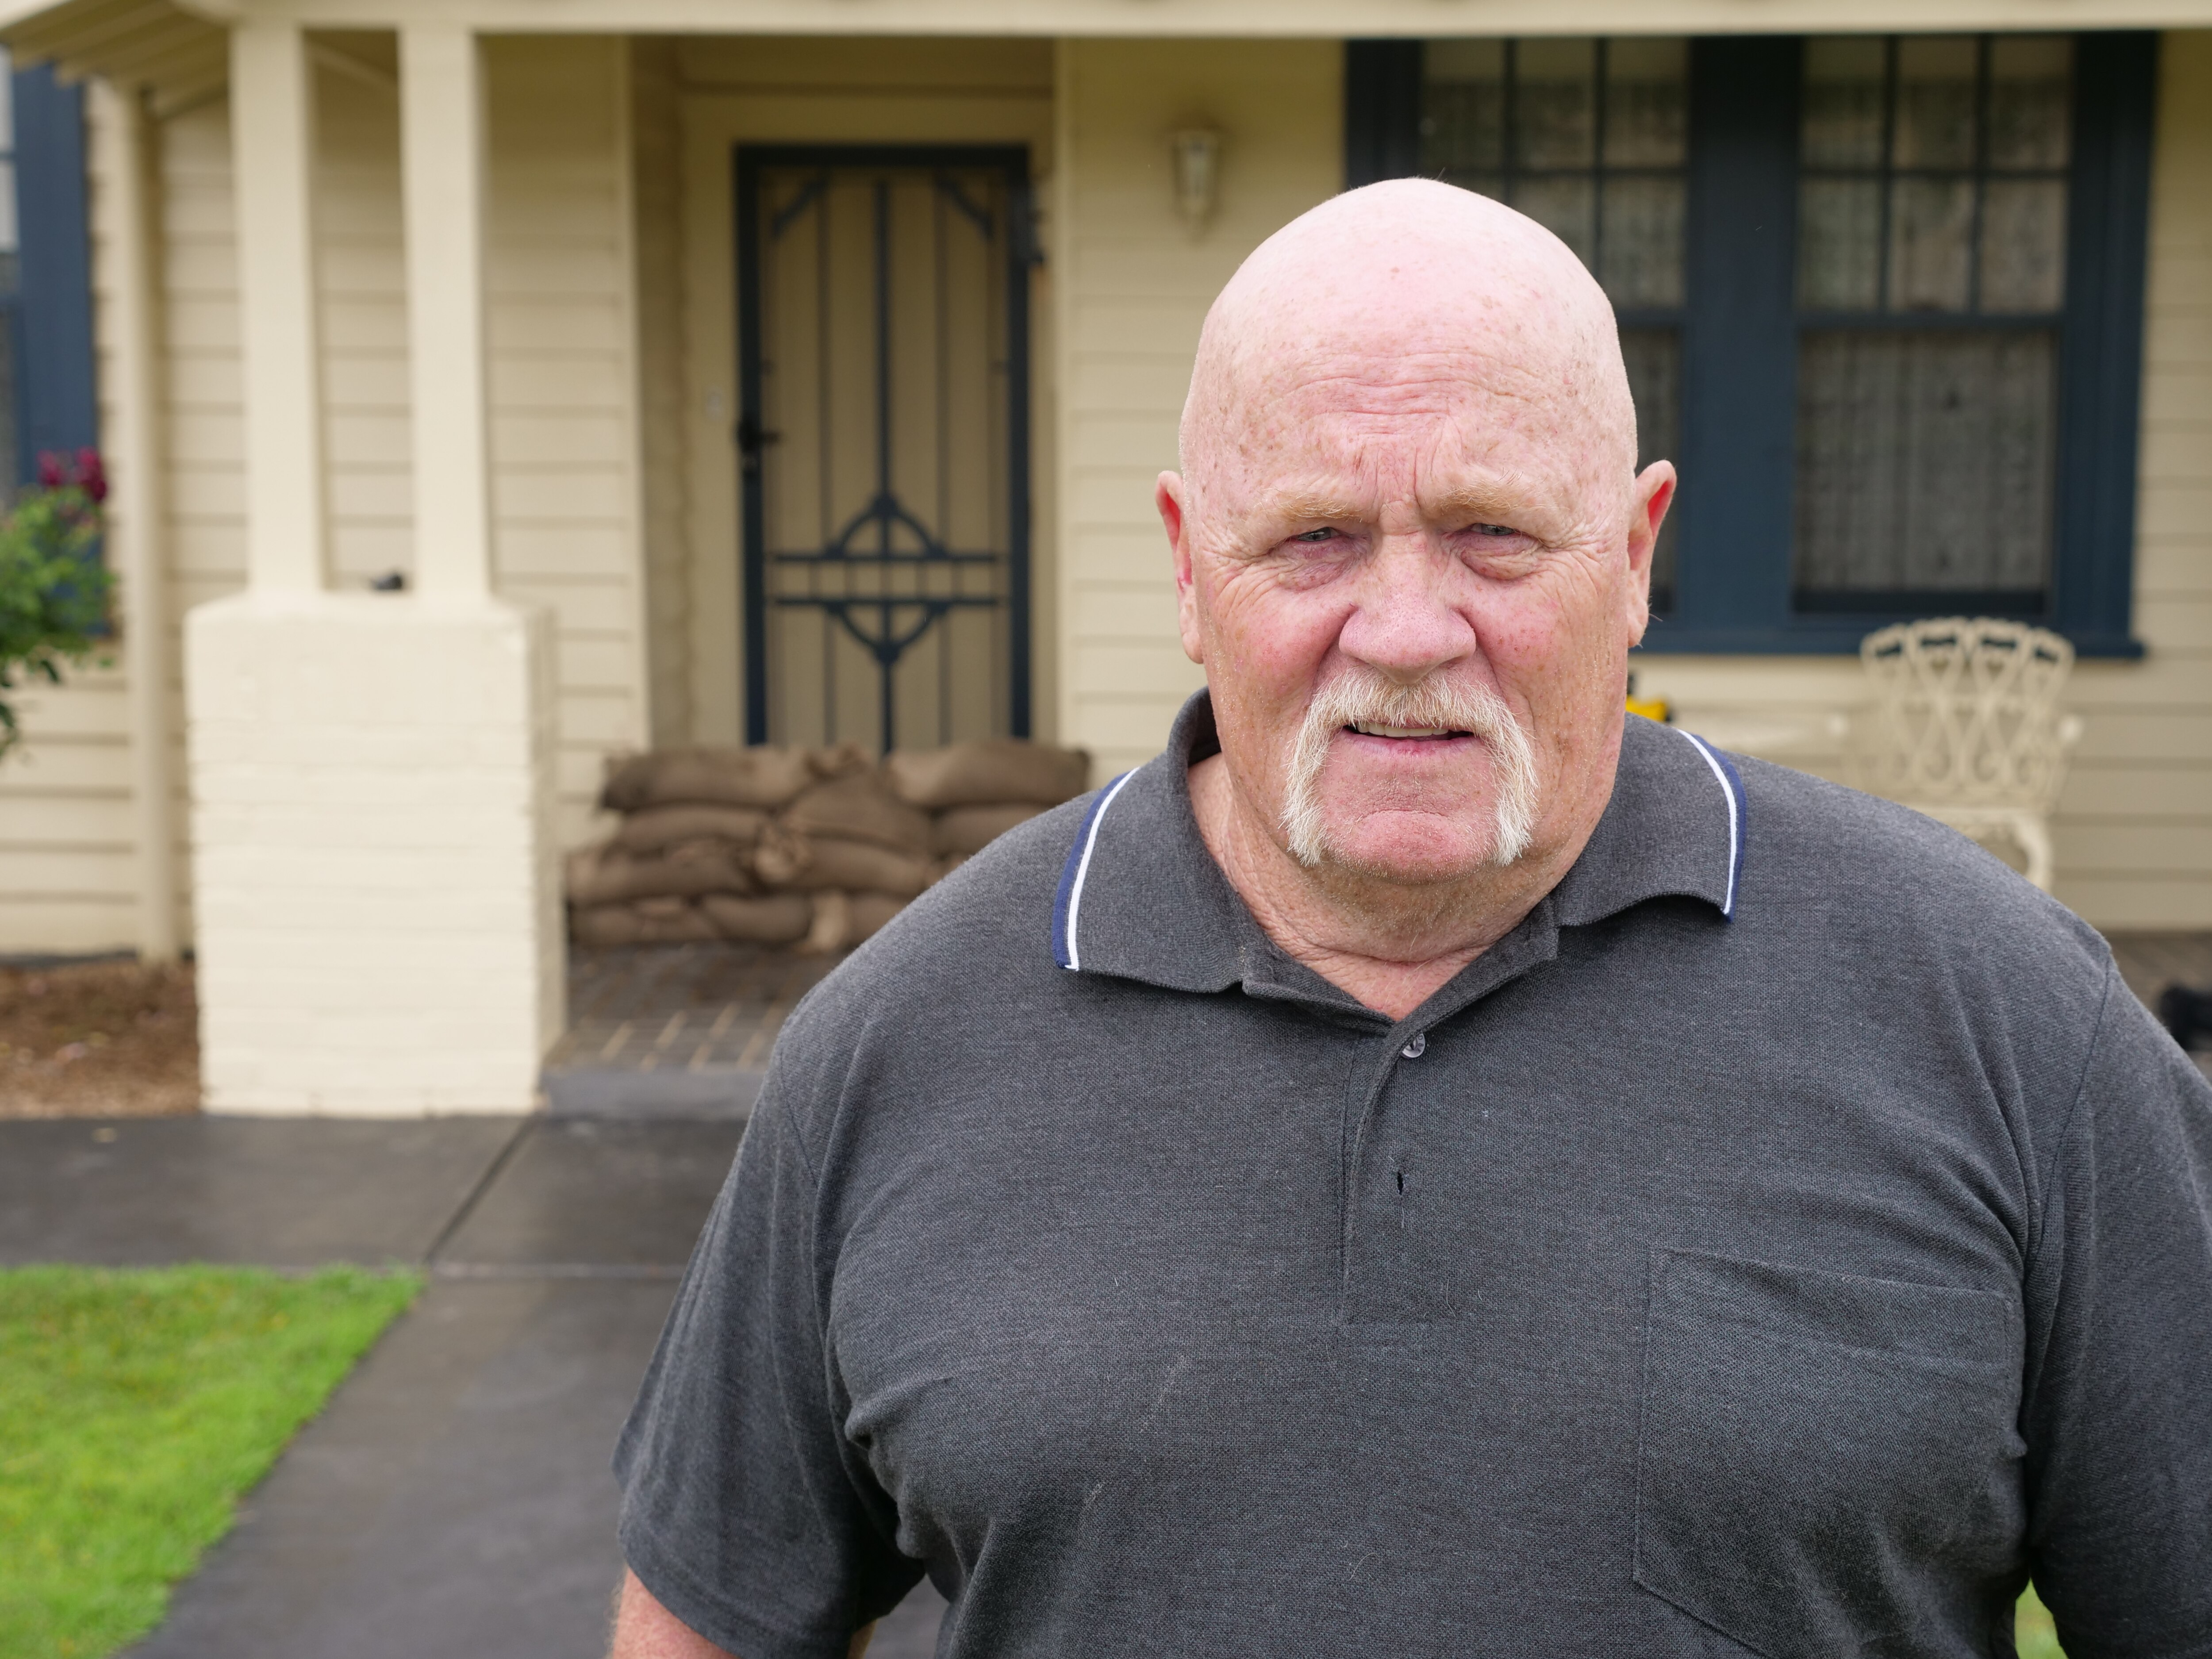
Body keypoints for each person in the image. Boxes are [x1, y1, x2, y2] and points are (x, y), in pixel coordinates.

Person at [608, 179, 2212, 1659]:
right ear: (1186, 568)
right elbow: (707, 1618)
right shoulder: (894, 1044)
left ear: (1638, 551)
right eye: (1314, 537)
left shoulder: (2005, 1019)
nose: (1404, 628)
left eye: (1493, 533)